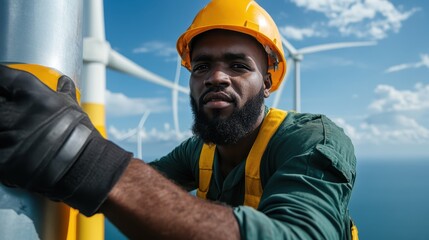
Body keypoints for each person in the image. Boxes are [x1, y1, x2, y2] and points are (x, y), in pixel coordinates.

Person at [0, 0, 357, 239]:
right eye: (202, 66)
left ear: (267, 82)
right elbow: (138, 186)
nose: (216, 77)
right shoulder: (199, 152)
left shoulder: (312, 140)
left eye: (237, 65)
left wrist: (77, 152)